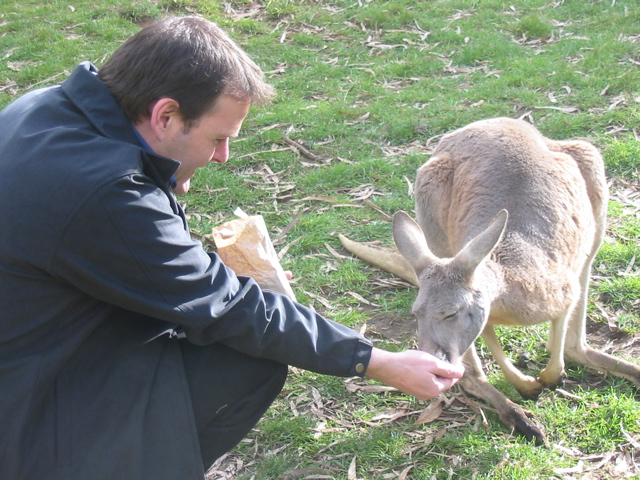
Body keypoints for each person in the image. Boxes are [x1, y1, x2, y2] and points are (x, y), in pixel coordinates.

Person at [0, 16, 464, 480]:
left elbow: (124, 250)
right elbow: (228, 307)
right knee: (245, 362)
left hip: (33, 339)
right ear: (165, 115)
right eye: (218, 138)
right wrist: (376, 361)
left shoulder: (43, 109)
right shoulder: (107, 191)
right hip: (31, 407)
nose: (222, 157)